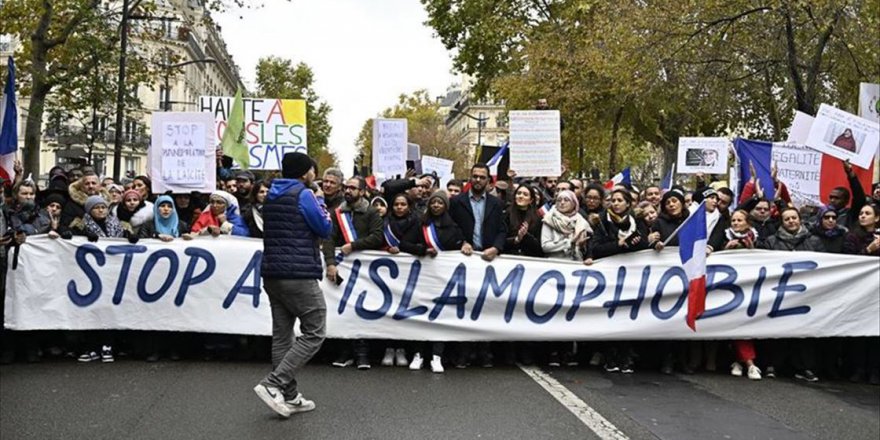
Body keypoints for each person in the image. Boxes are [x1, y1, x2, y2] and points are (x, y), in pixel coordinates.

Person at [254, 152, 332, 418]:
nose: (314, 174)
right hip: (298, 273)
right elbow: (323, 228)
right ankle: (272, 384)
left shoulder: (272, 194)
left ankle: (289, 396)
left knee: (283, 335)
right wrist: (321, 201)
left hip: (272, 272)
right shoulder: (305, 194)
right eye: (312, 169)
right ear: (304, 171)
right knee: (315, 331)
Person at [448, 163, 506, 367]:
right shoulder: (457, 202)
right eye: (475, 176)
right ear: (470, 178)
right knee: (465, 305)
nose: (478, 180)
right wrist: (461, 242)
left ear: (488, 180)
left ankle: (484, 352)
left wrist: (496, 248)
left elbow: (502, 230)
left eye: (482, 177)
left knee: (486, 306)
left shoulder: (496, 204)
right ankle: (463, 352)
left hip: (487, 260)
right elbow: (451, 227)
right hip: (465, 260)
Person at [323, 176, 384, 370]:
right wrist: (331, 263)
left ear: (362, 191)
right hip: (344, 268)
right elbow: (329, 239)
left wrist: (355, 245)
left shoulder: (371, 212)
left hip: (366, 270)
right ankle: (345, 351)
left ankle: (363, 353)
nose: (348, 190)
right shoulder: (337, 213)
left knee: (363, 309)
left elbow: (377, 236)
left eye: (352, 188)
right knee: (343, 310)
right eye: (346, 187)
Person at [759, 207, 824, 382]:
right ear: (782, 222)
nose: (791, 221)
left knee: (803, 332)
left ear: (800, 219)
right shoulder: (771, 242)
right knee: (776, 330)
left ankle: (805, 367)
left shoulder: (815, 241)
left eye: (794, 218)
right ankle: (772, 364)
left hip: (806, 293)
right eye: (787, 219)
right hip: (779, 294)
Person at [408, 190, 465, 374]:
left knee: (439, 316)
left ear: (445, 206)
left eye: (440, 203)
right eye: (433, 202)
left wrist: (465, 244)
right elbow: (405, 244)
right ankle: (418, 354)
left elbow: (459, 243)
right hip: (422, 276)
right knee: (420, 314)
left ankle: (436, 355)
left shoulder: (454, 227)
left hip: (443, 278)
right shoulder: (420, 224)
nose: (436, 206)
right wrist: (422, 249)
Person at [719, 209, 763, 380]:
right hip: (730, 289)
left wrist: (752, 249)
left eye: (740, 220)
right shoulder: (724, 237)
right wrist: (724, 249)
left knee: (746, 326)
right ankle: (750, 364)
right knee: (736, 325)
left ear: (748, 223)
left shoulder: (758, 238)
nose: (736, 223)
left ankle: (739, 361)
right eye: (733, 221)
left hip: (753, 288)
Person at [843, 204, 880, 385]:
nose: (863, 216)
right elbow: (849, 261)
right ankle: (858, 368)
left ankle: (875, 370)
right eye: (861, 213)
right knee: (860, 331)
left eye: (867, 213)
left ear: (877, 218)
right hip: (860, 292)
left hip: (877, 293)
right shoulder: (852, 237)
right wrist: (868, 250)